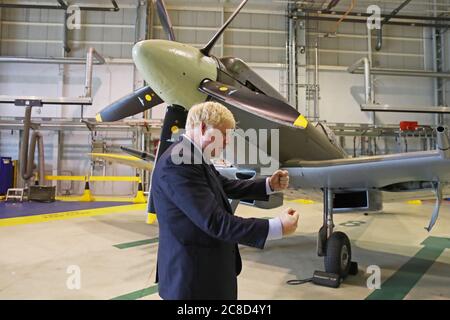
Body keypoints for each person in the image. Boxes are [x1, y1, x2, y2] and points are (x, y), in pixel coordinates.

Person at [151, 101, 299, 300]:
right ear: (203, 127)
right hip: (193, 281)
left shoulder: (192, 156)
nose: (227, 142)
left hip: (204, 274)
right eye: (225, 135)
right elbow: (215, 222)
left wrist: (268, 185)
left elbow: (224, 185)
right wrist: (277, 227)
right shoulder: (179, 162)